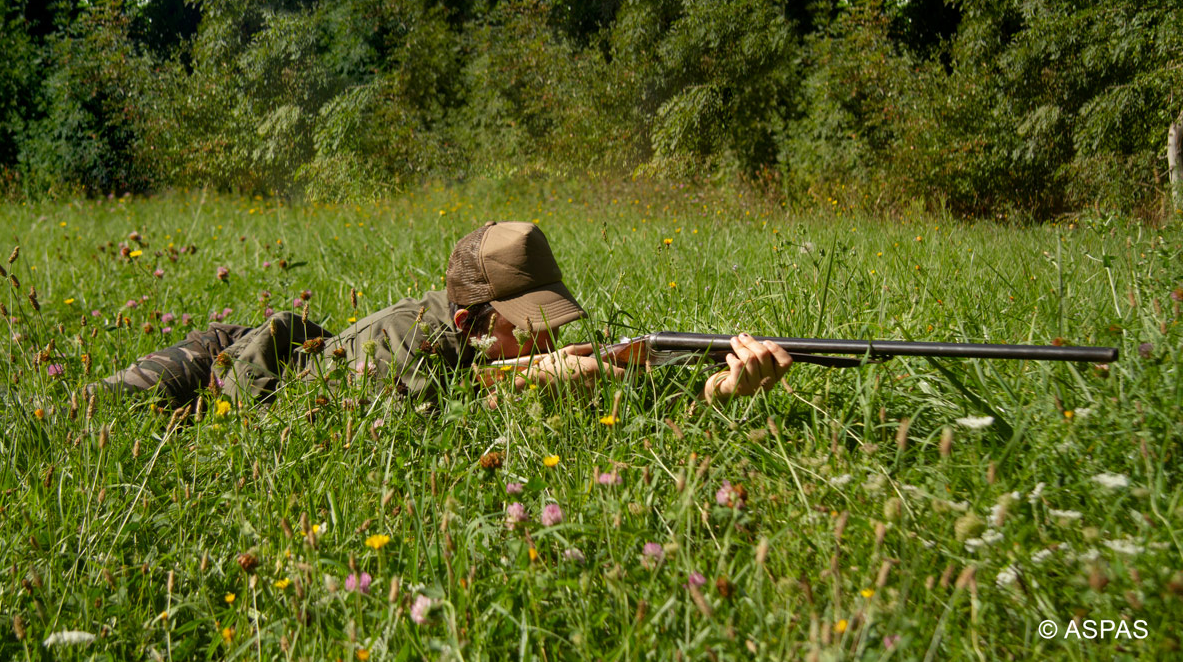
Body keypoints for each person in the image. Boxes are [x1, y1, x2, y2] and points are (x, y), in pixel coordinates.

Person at [88, 221, 793, 408]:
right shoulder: (408, 346)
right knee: (89, 414)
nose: (544, 335)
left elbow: (627, 366)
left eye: (549, 315)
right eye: (525, 319)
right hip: (224, 375)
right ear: (469, 323)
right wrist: (521, 385)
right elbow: (392, 420)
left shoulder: (501, 344)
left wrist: (718, 385)